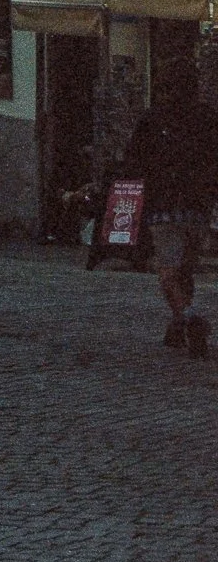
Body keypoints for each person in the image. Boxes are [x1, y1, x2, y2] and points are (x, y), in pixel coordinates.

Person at [121, 57, 217, 360]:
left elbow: (134, 160)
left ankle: (189, 318)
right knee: (184, 268)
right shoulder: (208, 118)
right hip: (198, 206)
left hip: (164, 205)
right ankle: (177, 325)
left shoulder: (153, 120)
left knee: (168, 272)